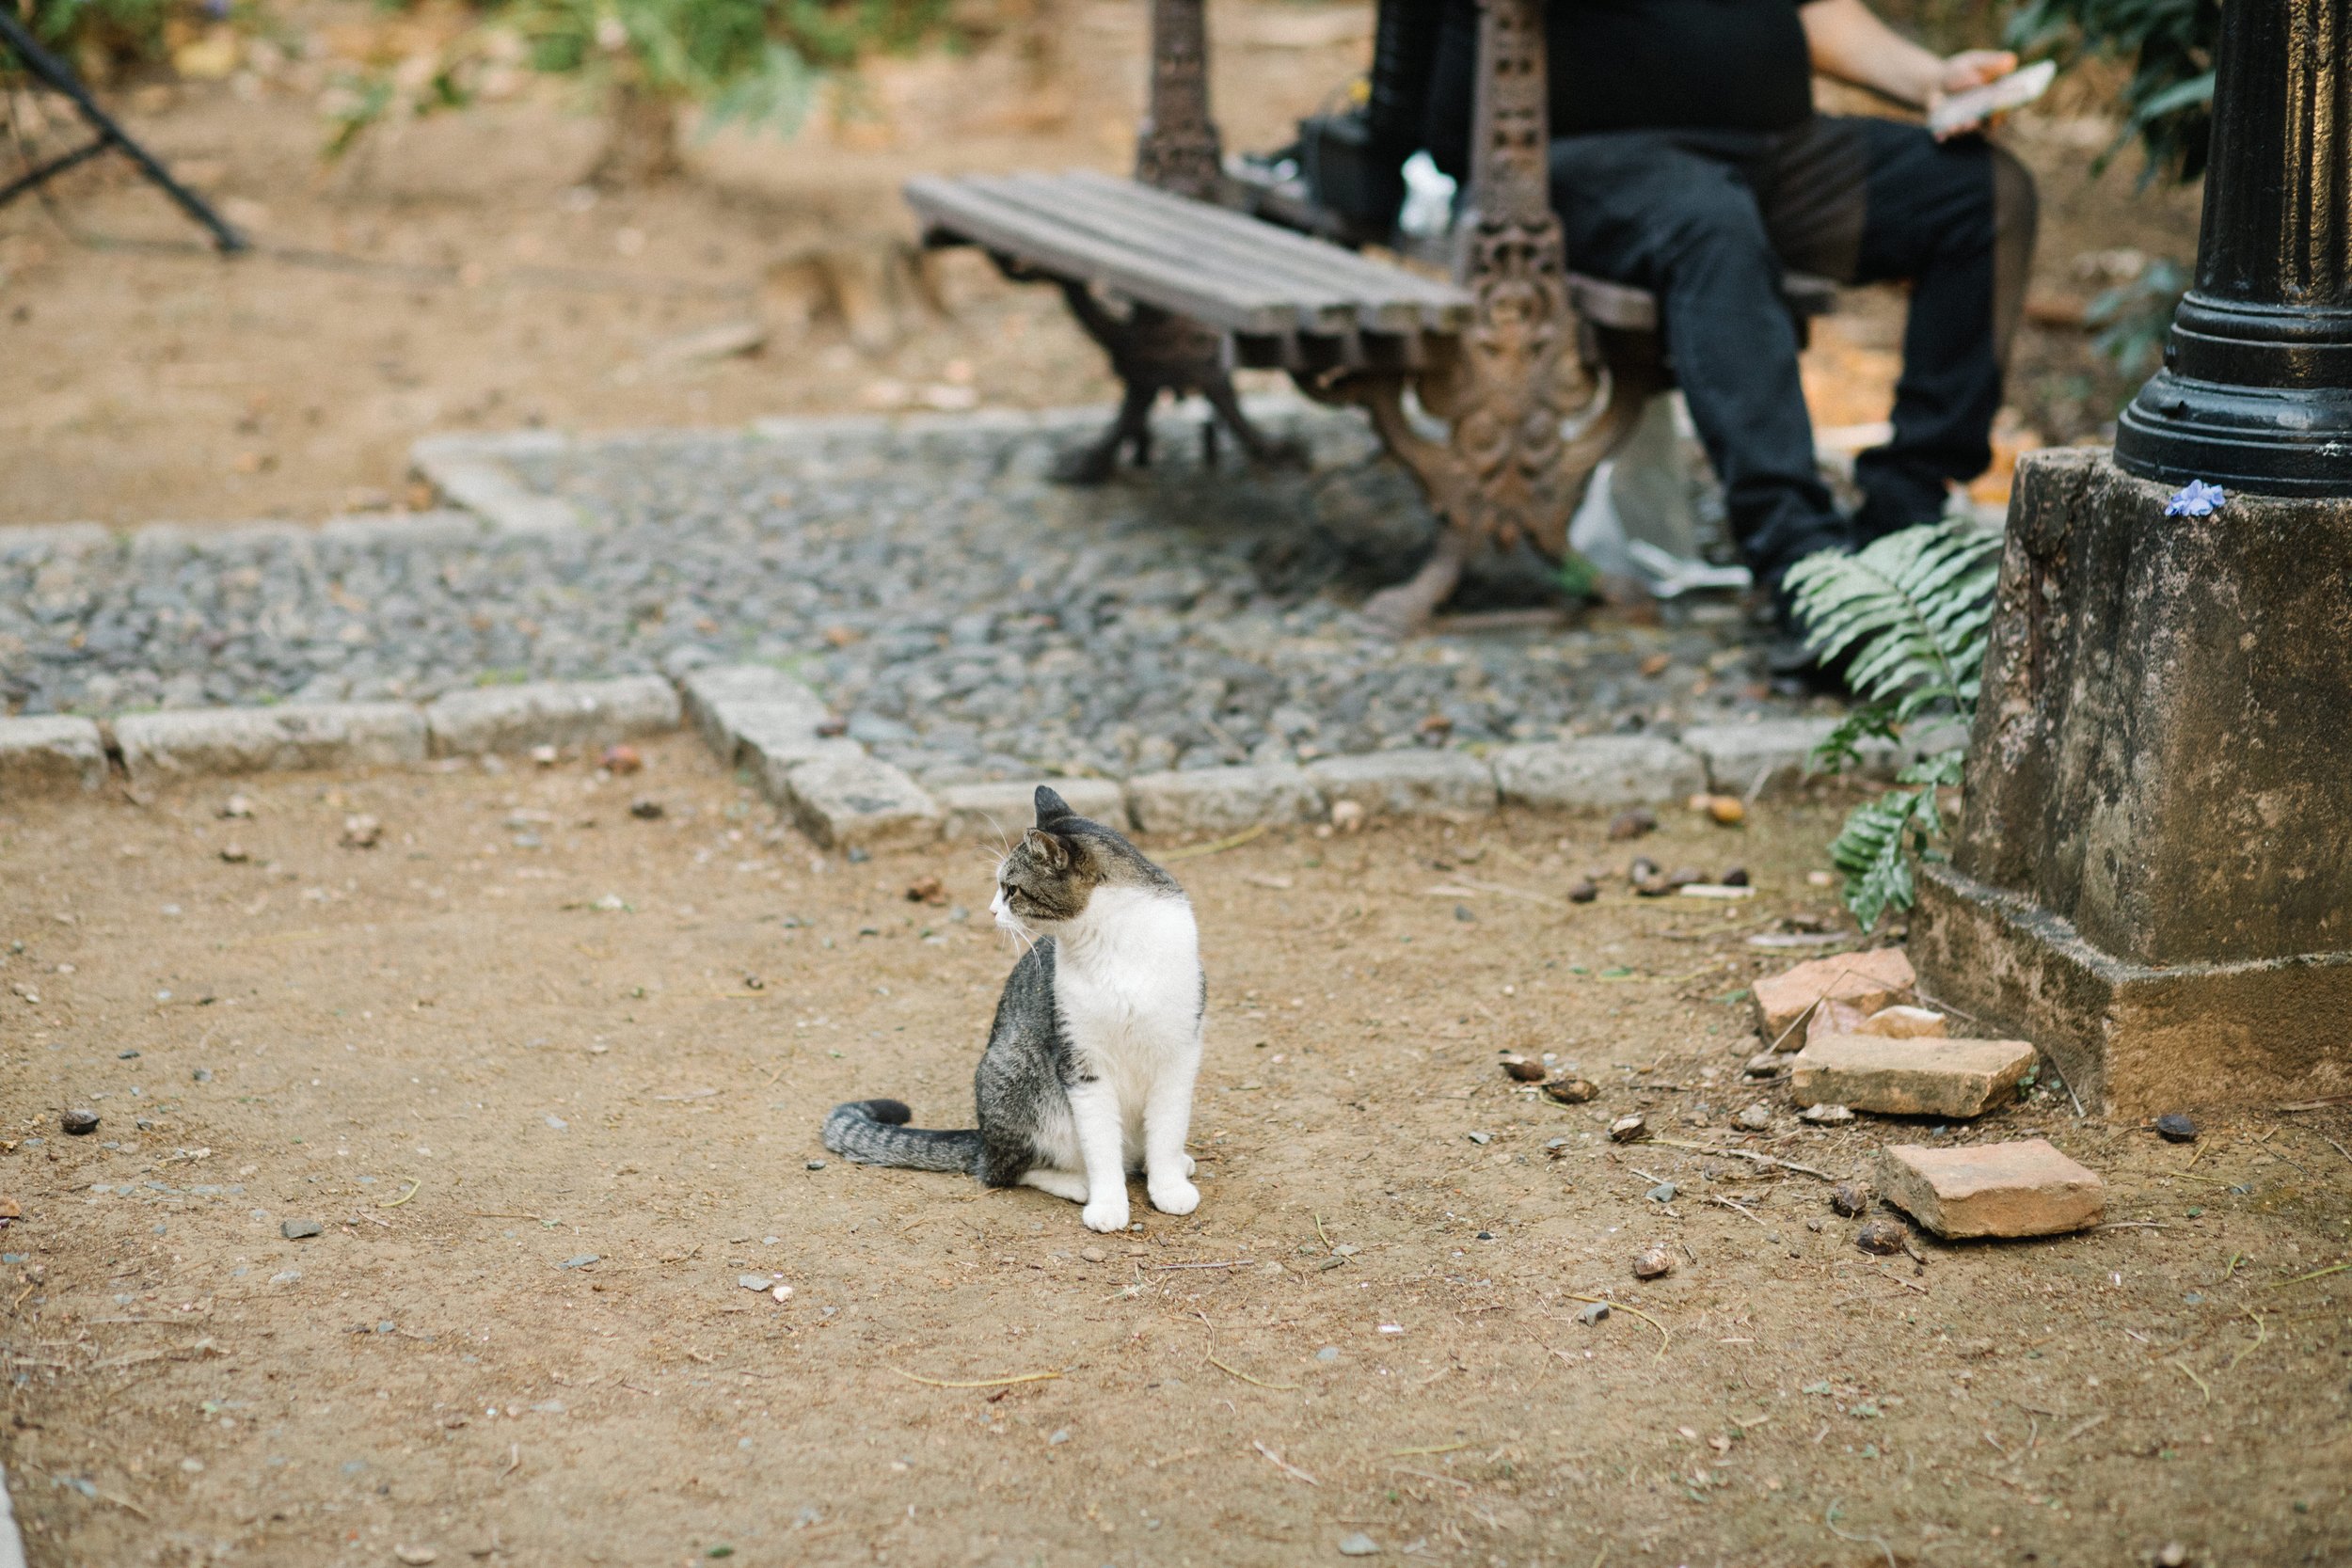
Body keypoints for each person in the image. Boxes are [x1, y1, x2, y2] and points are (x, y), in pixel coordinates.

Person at [1367, 0, 2038, 642]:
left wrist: (1930, 78)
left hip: (1773, 156)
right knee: (1712, 229)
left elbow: (1813, 11)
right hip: (1578, 161)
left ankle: (1907, 524)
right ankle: (1805, 569)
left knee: (1980, 195)